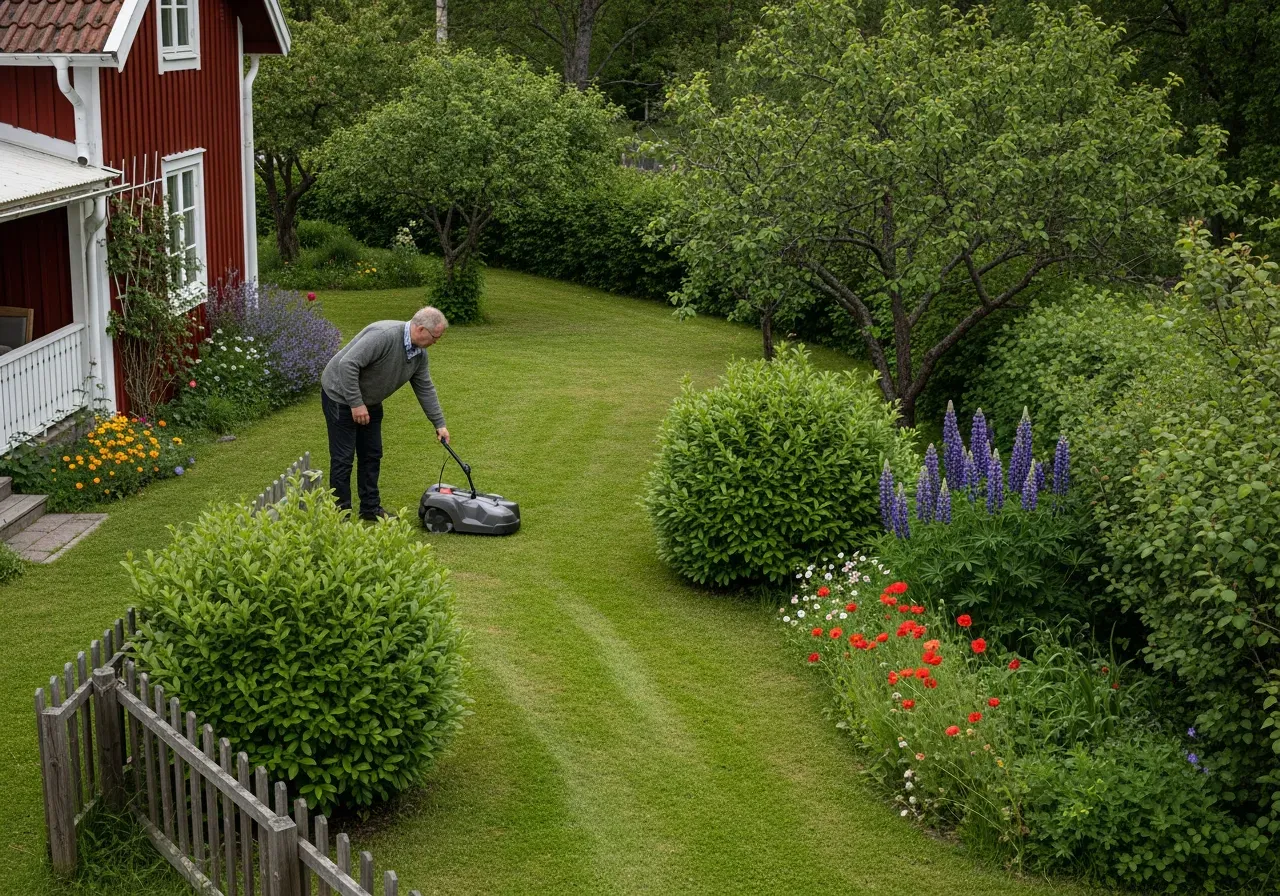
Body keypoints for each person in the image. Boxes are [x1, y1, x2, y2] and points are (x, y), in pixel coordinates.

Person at [320, 307, 451, 520]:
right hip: (340, 395)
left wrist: (439, 423)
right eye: (435, 337)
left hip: (370, 401)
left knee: (372, 454)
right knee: (343, 458)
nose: (436, 342)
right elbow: (348, 365)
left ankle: (370, 509)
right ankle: (340, 514)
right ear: (420, 329)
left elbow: (425, 387)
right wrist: (356, 404)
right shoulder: (383, 336)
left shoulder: (419, 354)